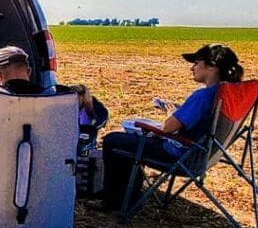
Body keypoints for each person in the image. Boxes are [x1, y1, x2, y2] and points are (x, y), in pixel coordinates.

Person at [100, 43, 244, 211]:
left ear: (212, 67)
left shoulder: (203, 96)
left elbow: (168, 128)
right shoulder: (228, 94)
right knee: (129, 140)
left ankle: (116, 202)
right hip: (204, 155)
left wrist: (171, 112)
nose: (192, 68)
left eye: (196, 63)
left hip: (179, 155)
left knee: (113, 140)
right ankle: (128, 196)